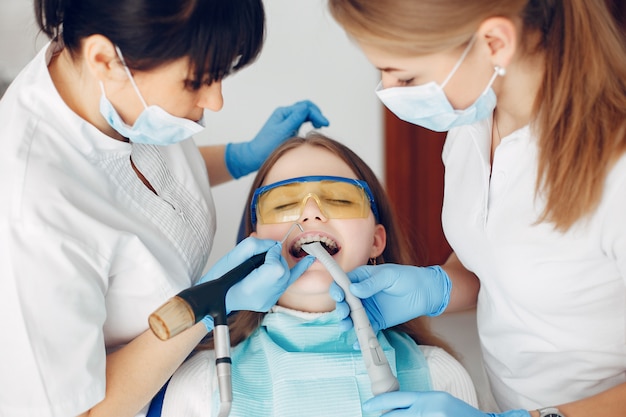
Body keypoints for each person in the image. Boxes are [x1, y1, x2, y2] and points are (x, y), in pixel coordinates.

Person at [0, 1, 330, 416]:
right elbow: (79, 411)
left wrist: (240, 157)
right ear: (105, 59)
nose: (216, 101)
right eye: (197, 82)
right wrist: (206, 308)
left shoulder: (112, 95)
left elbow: (135, 181)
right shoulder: (28, 213)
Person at [326, 1, 626, 417]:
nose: (389, 92)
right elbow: (503, 262)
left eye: (406, 75)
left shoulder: (616, 169)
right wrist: (437, 286)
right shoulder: (472, 121)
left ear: (494, 42)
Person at [157, 133, 478, 416]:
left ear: (377, 241)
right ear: (253, 240)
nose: (311, 212)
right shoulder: (203, 383)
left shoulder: (438, 376)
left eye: (339, 199)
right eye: (283, 204)